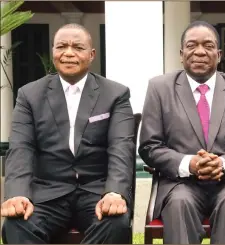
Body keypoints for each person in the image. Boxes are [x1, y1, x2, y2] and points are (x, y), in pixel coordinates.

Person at [138, 20, 225, 244]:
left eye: (208, 46)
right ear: (181, 54)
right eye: (192, 45)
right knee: (180, 202)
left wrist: (223, 164)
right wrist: (189, 164)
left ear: (219, 55)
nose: (199, 51)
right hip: (180, 184)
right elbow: (149, 145)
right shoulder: (159, 88)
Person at [1, 23, 135, 244]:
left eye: (77, 47)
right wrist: (17, 193)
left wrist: (115, 192)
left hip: (96, 191)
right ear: (53, 51)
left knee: (116, 223)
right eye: (61, 46)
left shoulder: (115, 94)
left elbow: (121, 147)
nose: (68, 53)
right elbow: (21, 148)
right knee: (16, 224)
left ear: (91, 54)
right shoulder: (29, 95)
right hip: (48, 193)